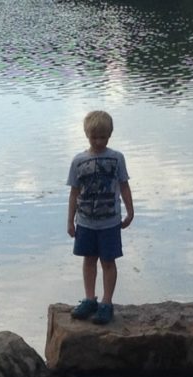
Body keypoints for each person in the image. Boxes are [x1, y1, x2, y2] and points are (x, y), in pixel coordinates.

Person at [66, 110, 134, 325]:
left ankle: (106, 302)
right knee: (88, 260)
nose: (98, 141)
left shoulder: (116, 158)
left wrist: (131, 211)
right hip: (85, 222)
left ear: (110, 135)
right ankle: (89, 298)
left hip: (110, 222)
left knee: (108, 261)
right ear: (87, 135)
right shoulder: (78, 161)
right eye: (94, 137)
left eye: (102, 137)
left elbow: (124, 185)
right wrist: (70, 220)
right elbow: (74, 192)